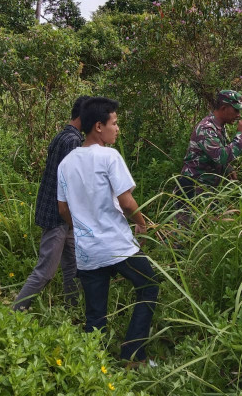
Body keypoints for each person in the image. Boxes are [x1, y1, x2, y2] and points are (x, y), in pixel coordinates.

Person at [57, 97, 158, 364]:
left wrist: (81, 228)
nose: (117, 129)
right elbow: (126, 202)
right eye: (114, 123)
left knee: (95, 314)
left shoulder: (66, 164)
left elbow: (63, 210)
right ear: (98, 127)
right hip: (117, 246)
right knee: (148, 285)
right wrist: (142, 223)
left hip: (87, 250)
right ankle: (133, 355)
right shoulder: (109, 156)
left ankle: (94, 366)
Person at [12, 95, 90, 311]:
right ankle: (15, 312)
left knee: (73, 266)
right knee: (45, 272)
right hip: (60, 216)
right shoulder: (73, 141)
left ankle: (72, 310)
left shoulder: (62, 135)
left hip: (60, 215)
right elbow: (70, 184)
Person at [176, 90, 242, 198]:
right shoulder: (206, 128)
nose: (238, 115)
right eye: (236, 110)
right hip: (192, 188)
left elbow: (214, 154)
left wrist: (228, 168)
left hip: (205, 189)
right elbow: (221, 156)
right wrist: (241, 135)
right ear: (223, 108)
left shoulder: (219, 126)